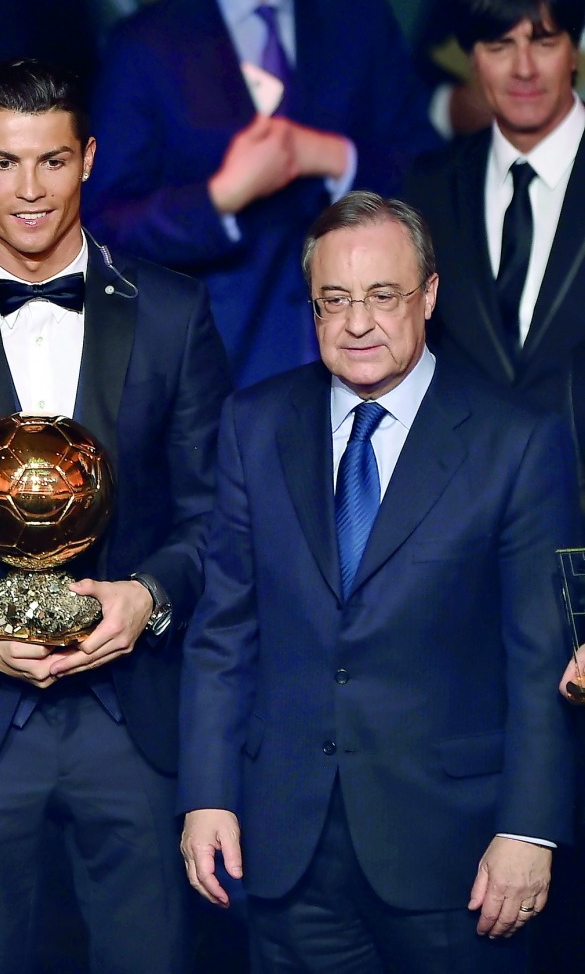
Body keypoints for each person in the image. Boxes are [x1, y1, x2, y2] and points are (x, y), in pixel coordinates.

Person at [0, 57, 231, 974]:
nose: (28, 190)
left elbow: (218, 513)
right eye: (3, 162)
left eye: (52, 161)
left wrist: (148, 597)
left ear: (88, 159)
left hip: (133, 719)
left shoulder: (174, 313)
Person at [179, 192, 579, 973]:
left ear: (427, 296)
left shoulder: (518, 441)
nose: (356, 323)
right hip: (286, 849)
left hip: (458, 856)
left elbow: (540, 658)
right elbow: (223, 630)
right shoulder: (252, 424)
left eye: (381, 296)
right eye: (333, 300)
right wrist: (207, 793)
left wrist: (529, 828)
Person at [86, 0, 439, 388]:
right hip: (221, 359)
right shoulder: (144, 41)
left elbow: (430, 171)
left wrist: (334, 156)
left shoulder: (360, 15)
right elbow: (104, 225)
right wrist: (219, 197)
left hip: (371, 343)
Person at [403, 0, 585, 497]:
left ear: (574, 52)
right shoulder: (430, 188)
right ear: (472, 58)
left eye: (544, 42)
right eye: (500, 45)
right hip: (464, 505)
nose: (524, 68)